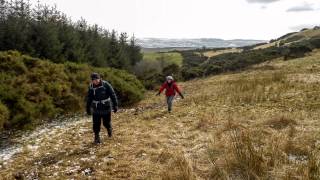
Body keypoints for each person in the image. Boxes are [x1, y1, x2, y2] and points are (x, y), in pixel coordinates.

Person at [86, 73, 118, 144]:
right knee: (96, 124)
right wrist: (88, 108)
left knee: (106, 123)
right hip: (96, 109)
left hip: (106, 108)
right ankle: (96, 137)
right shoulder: (91, 87)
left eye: (97, 79)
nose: (96, 81)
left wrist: (115, 105)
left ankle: (109, 129)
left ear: (100, 78)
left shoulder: (106, 85)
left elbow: (112, 94)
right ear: (92, 80)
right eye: (94, 80)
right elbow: (89, 98)